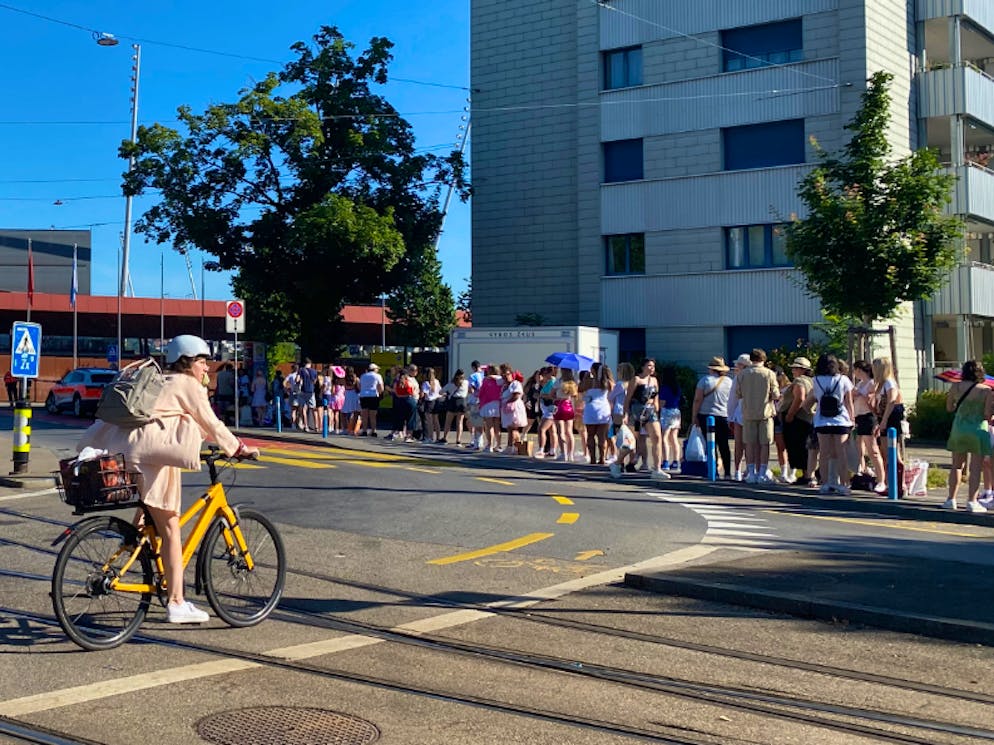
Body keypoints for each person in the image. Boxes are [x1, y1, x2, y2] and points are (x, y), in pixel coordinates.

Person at [78, 335, 260, 624]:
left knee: (149, 518)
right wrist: (238, 448)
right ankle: (176, 602)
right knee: (172, 530)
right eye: (202, 361)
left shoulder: (159, 379)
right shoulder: (187, 384)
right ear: (188, 361)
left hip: (124, 453)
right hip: (150, 458)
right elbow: (210, 422)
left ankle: (133, 558)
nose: (206, 368)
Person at [943, 360, 992, 512]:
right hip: (978, 430)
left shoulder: (955, 387)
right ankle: (971, 501)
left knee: (957, 466)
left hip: (959, 428)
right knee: (975, 467)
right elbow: (987, 415)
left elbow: (949, 408)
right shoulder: (986, 391)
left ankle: (951, 499)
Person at [806, 353, 855, 495]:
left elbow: (815, 398)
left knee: (824, 453)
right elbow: (849, 402)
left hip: (822, 419)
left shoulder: (816, 380)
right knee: (841, 453)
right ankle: (844, 484)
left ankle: (825, 483)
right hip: (841, 419)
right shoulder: (843, 379)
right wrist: (852, 419)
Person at [733, 349, 780, 484]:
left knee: (749, 444)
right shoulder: (769, 374)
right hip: (765, 413)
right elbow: (776, 394)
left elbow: (738, 393)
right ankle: (762, 473)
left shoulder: (742, 374)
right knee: (764, 444)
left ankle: (751, 473)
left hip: (747, 413)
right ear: (763, 359)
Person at [691, 357, 733, 479]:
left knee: (710, 444)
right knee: (724, 445)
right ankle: (728, 473)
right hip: (724, 415)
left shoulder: (705, 381)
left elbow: (697, 400)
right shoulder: (729, 382)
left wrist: (694, 416)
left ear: (711, 369)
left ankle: (713, 471)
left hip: (706, 415)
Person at [624, 358, 664, 479]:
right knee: (638, 438)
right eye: (649, 365)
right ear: (643, 367)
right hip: (637, 411)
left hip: (650, 410)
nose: (652, 368)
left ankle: (657, 467)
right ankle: (631, 460)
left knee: (657, 436)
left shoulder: (654, 380)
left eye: (653, 366)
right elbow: (628, 398)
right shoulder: (636, 379)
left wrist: (656, 405)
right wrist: (625, 414)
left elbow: (656, 395)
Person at [851, 360, 886, 492]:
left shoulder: (871, 383)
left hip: (868, 417)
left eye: (855, 370)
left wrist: (863, 395)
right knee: (859, 449)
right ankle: (863, 473)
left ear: (860, 370)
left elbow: (872, 402)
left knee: (873, 450)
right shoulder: (860, 384)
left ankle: (881, 479)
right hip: (858, 416)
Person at [781, 357, 816, 486]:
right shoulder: (812, 381)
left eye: (795, 368)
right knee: (806, 446)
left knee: (798, 446)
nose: (793, 370)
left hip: (798, 418)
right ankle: (807, 473)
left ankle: (806, 474)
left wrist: (790, 414)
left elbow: (799, 397)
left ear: (802, 370)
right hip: (808, 418)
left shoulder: (800, 381)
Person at [583, 363, 613, 465]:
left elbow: (579, 388)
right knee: (602, 436)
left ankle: (592, 458)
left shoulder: (589, 382)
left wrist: (585, 378)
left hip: (590, 408)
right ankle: (602, 458)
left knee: (590, 434)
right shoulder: (607, 382)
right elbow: (612, 392)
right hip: (603, 408)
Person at [657, 365, 682, 473]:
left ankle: (665, 461)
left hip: (666, 411)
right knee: (674, 438)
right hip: (676, 411)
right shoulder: (677, 388)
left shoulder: (664, 388)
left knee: (664, 437)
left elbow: (662, 403)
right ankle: (676, 461)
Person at [499, 363, 527, 453]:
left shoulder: (515, 383)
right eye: (503, 375)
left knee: (513, 428)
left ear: (511, 374)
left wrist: (507, 402)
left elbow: (516, 395)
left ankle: (511, 446)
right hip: (507, 409)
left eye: (507, 374)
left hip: (514, 408)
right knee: (509, 428)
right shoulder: (504, 386)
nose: (505, 377)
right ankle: (515, 447)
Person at [439, 369, 470, 444]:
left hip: (453, 402)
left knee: (448, 421)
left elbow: (441, 392)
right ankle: (458, 439)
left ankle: (445, 437)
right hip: (462, 402)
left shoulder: (451, 383)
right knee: (459, 422)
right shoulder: (466, 383)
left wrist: (447, 394)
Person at [535, 367, 559, 459]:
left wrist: (542, 395)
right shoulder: (547, 383)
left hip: (550, 409)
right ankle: (552, 451)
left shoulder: (552, 382)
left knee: (541, 429)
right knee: (552, 430)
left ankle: (541, 450)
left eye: (544, 374)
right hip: (546, 409)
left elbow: (553, 396)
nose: (542, 376)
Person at [478, 363, 503, 452]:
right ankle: (498, 445)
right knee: (497, 426)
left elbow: (481, 392)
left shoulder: (486, 380)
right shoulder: (500, 380)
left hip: (488, 404)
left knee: (489, 426)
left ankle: (490, 445)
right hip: (498, 403)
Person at [358, 363, 384, 436]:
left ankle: (364, 430)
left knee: (364, 414)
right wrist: (379, 393)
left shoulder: (363, 376)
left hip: (364, 396)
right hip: (373, 395)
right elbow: (381, 387)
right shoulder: (378, 376)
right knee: (373, 414)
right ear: (374, 369)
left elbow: (359, 386)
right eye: (377, 369)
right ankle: (374, 431)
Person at [420, 368, 442, 444]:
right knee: (436, 421)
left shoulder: (425, 383)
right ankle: (438, 437)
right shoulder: (437, 381)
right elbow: (440, 391)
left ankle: (430, 437)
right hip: (436, 401)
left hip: (429, 402)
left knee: (429, 421)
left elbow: (424, 394)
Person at [341, 366, 361, 435]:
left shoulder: (344, 379)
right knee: (355, 413)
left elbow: (344, 386)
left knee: (344, 413)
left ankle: (345, 429)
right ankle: (353, 430)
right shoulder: (356, 378)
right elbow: (359, 388)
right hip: (355, 395)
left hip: (348, 394)